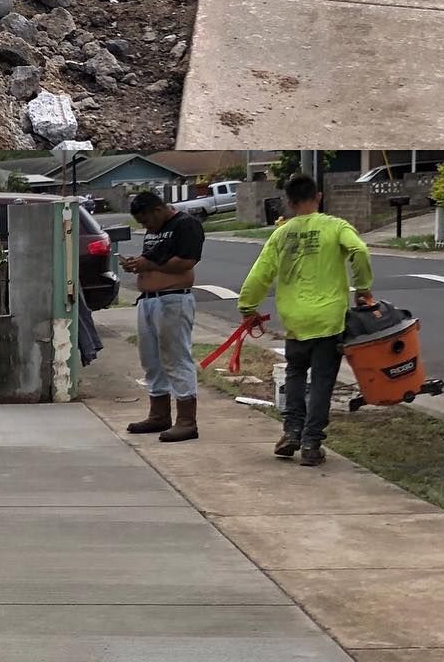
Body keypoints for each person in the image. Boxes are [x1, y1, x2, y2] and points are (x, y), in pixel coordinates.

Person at [238, 174, 375, 467]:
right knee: (323, 380)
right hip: (328, 320)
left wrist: (248, 307)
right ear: (319, 197)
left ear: (288, 202)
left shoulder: (281, 234)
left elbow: (260, 274)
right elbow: (360, 250)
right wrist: (363, 289)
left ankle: (291, 431)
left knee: (296, 375)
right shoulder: (336, 226)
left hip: (295, 321)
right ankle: (312, 443)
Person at [121, 191, 206, 442]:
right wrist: (138, 264)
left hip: (173, 299)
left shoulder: (185, 225)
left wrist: (149, 265)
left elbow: (185, 262)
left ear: (158, 210)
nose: (147, 227)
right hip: (148, 301)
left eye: (147, 222)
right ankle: (159, 414)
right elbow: (154, 256)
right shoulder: (156, 228)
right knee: (151, 360)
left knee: (176, 358)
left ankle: (186, 420)